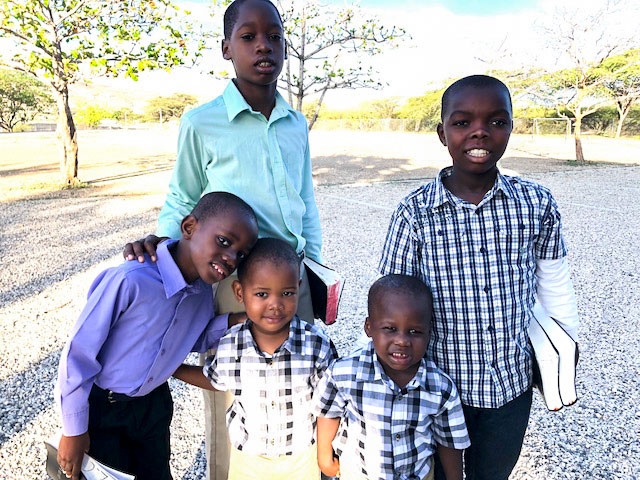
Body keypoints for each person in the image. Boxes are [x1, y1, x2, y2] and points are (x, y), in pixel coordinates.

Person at [122, 0, 322, 477]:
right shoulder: (201, 122)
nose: (263, 47)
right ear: (227, 48)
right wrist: (162, 247)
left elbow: (305, 199)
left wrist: (315, 268)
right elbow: (182, 196)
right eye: (249, 37)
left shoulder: (295, 124)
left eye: (274, 36)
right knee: (233, 388)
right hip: (229, 278)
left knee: (301, 382)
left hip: (290, 276)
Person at [378, 75, 580, 480]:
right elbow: (391, 300)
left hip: (509, 385)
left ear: (511, 128)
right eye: (462, 122)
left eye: (496, 121)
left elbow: (553, 281)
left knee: (493, 472)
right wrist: (390, 377)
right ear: (442, 133)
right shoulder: (414, 214)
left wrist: (566, 344)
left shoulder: (536, 203)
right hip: (435, 385)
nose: (479, 132)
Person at [56, 192, 258, 480]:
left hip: (154, 407)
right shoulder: (129, 280)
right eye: (224, 242)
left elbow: (194, 339)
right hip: (105, 411)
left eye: (240, 254)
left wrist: (236, 320)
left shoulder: (201, 294)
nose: (230, 258)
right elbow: (78, 355)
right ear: (189, 228)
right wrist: (74, 429)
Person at [173, 238, 337, 480]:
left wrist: (325, 452)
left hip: (301, 458)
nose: (275, 305)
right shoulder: (230, 344)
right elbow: (215, 378)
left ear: (298, 287)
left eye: (287, 293)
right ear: (240, 292)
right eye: (262, 294)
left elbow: (329, 403)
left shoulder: (316, 345)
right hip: (248, 460)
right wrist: (172, 368)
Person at [314, 274, 469, 480]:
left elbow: (449, 441)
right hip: (359, 473)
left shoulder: (439, 387)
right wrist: (324, 457)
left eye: (414, 331)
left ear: (429, 333)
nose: (402, 341)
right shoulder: (345, 373)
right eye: (390, 329)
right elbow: (328, 411)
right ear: (369, 327)